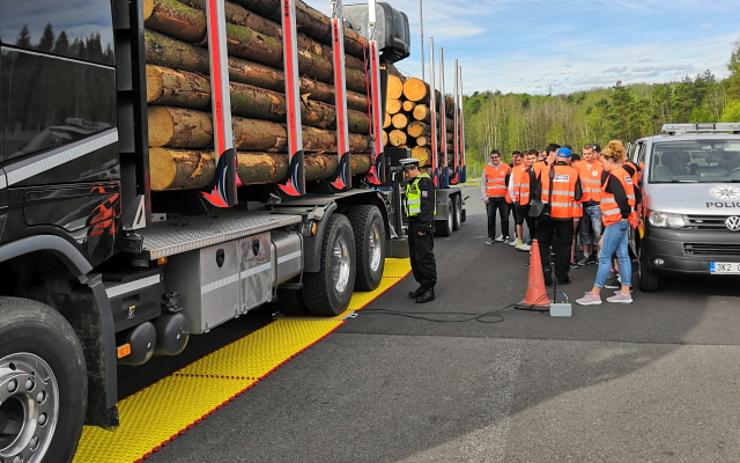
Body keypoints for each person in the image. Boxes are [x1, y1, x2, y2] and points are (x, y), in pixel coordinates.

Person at [576, 140, 638, 305]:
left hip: (616, 222)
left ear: (611, 160)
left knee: (604, 256)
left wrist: (623, 217)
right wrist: (628, 217)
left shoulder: (614, 176)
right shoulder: (624, 173)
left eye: (603, 161)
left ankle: (595, 294)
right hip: (623, 222)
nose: (601, 164)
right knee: (623, 256)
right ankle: (625, 292)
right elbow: (636, 195)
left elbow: (622, 200)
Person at [532, 147, 582, 285]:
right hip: (565, 216)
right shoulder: (574, 173)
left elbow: (536, 192)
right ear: (569, 159)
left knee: (543, 244)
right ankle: (562, 275)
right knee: (564, 246)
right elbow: (578, 195)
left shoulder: (544, 170)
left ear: (557, 157)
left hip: (546, 214)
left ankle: (546, 271)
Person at [402, 158, 437, 303]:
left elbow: (427, 206)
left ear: (415, 168)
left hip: (422, 225)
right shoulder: (412, 183)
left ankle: (429, 289)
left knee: (424, 257)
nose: (406, 174)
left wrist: (423, 226)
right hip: (414, 224)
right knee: (415, 258)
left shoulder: (425, 182)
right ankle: (423, 285)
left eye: (407, 171)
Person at [576, 143, 604, 265]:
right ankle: (586, 255)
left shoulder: (600, 165)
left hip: (597, 203)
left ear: (593, 154)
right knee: (584, 231)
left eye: (589, 153)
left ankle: (599, 255)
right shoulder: (578, 166)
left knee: (598, 231)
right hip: (583, 203)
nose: (587, 156)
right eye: (585, 154)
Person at [481, 150, 512, 245]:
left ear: (500, 157)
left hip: (503, 197)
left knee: (505, 218)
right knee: (490, 218)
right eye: (492, 157)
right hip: (491, 198)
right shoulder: (486, 169)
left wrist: (510, 195)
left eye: (496, 157)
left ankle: (506, 236)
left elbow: (511, 182)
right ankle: (491, 237)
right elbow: (483, 183)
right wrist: (484, 196)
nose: (494, 159)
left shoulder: (506, 167)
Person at [509, 150, 537, 251]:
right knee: (520, 221)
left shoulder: (534, 169)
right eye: (527, 158)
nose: (528, 160)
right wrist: (514, 199)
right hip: (520, 201)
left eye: (530, 158)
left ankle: (531, 242)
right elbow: (511, 186)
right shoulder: (516, 170)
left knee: (531, 223)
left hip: (530, 202)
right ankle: (520, 240)